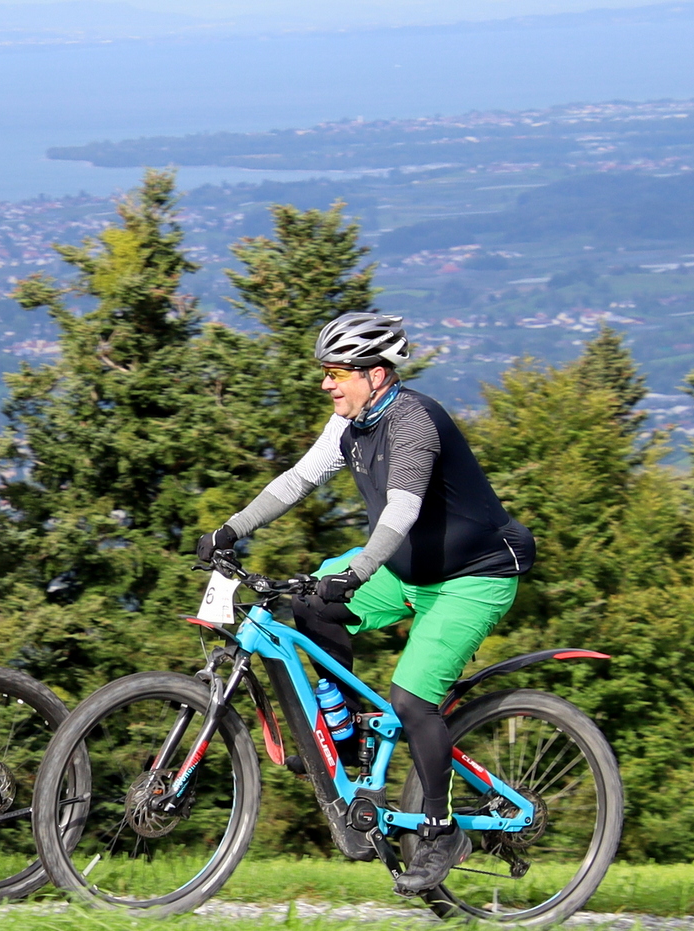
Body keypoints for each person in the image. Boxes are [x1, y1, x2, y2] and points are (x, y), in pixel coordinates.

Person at [197, 312, 535, 896]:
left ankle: (440, 831)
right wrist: (231, 529)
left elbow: (401, 511)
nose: (326, 384)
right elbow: (297, 480)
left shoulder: (413, 423)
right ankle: (344, 736)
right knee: (309, 600)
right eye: (326, 373)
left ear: (375, 375)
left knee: (411, 699)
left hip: (473, 577)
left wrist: (355, 573)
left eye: (337, 373)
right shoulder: (349, 424)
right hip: (407, 569)